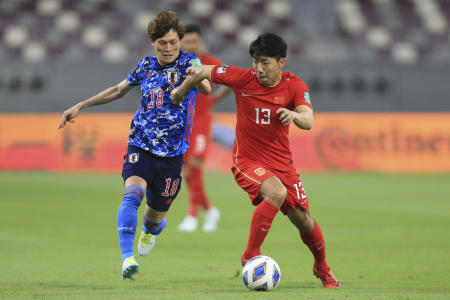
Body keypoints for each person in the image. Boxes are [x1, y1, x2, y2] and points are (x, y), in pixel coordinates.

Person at [171, 33, 341, 288]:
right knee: (276, 192)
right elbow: (202, 70)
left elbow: (308, 120)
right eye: (255, 61)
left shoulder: (295, 86)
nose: (258, 69)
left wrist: (294, 115)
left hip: (283, 164)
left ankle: (322, 267)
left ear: (281, 62)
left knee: (304, 220)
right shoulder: (242, 78)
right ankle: (250, 253)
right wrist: (181, 90)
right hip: (247, 161)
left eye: (265, 62)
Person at [58, 11, 211, 280]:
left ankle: (150, 230)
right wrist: (81, 105)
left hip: (173, 155)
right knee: (131, 196)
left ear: (180, 41)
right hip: (140, 145)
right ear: (153, 42)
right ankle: (127, 258)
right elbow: (118, 90)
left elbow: (207, 87)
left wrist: (192, 78)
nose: (168, 48)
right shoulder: (145, 66)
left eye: (173, 42)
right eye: (162, 43)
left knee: (154, 218)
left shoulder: (190, 62)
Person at [177, 24, 231, 232]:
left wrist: (214, 99)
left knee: (195, 165)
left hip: (201, 123)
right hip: (182, 124)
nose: (190, 45)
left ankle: (192, 215)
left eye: (193, 41)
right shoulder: (178, 62)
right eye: (186, 42)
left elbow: (229, 82)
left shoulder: (209, 63)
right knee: (186, 171)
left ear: (200, 42)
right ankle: (209, 210)